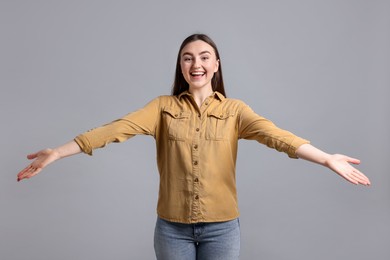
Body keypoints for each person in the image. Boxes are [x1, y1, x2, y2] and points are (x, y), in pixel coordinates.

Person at [17, 33, 370, 260]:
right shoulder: (161, 108)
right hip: (172, 228)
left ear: (216, 65)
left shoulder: (235, 111)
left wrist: (326, 159)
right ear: (181, 66)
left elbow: (278, 137)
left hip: (222, 227)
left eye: (204, 56)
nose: (196, 63)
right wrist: (58, 152)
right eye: (188, 57)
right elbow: (114, 130)